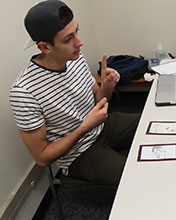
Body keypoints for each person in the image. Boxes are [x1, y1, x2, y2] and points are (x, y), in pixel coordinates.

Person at [9, 0, 140, 186]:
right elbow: (42, 157)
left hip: (102, 127)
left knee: (153, 127)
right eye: (68, 39)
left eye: (76, 31)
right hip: (78, 153)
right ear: (45, 47)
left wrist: (107, 87)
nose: (79, 42)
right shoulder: (24, 92)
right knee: (138, 178)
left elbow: (98, 101)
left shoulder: (74, 58)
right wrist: (85, 127)